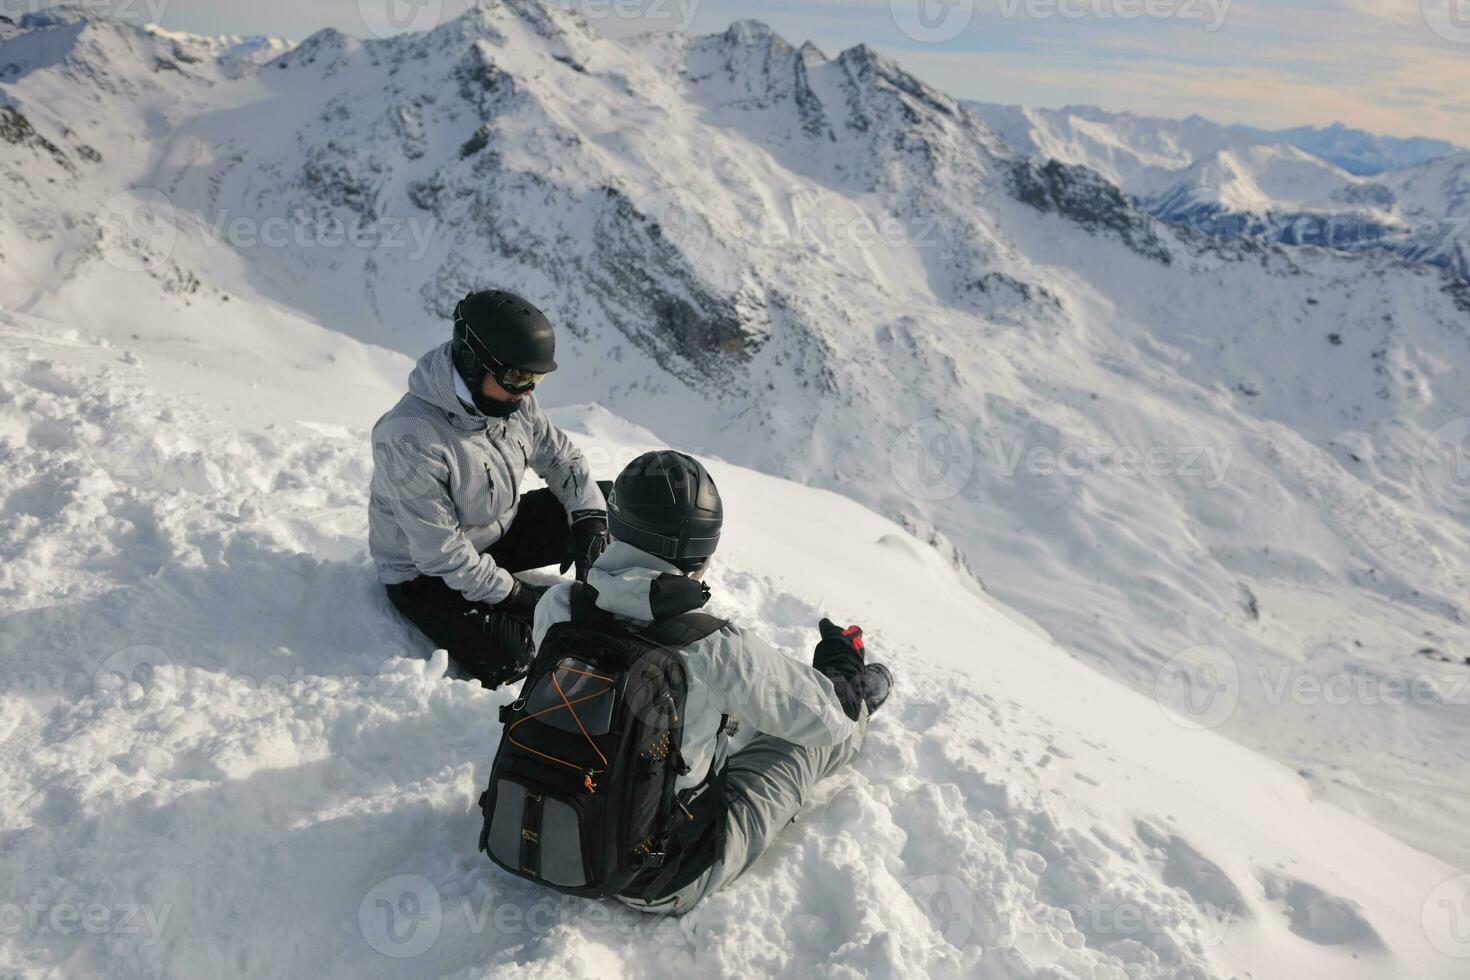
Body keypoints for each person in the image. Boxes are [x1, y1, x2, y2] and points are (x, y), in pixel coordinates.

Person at [530, 450, 892, 914]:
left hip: (552, 826)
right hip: (660, 875)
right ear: (700, 550)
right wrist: (840, 670)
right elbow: (826, 722)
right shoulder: (713, 646)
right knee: (803, 743)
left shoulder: (559, 607)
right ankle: (865, 696)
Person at [369, 290, 611, 687]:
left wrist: (589, 519)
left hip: (497, 531)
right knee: (515, 659)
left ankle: (620, 599)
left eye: (536, 378)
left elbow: (561, 459)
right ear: (471, 362)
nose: (528, 390)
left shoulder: (513, 401)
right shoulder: (409, 437)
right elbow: (442, 554)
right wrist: (517, 597)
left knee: (610, 503)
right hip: (424, 574)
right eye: (517, 377)